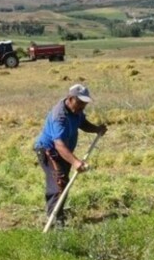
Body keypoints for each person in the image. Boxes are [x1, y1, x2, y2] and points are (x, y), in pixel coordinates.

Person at [33, 84, 108, 227]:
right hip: (49, 150)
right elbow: (59, 144)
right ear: (70, 98)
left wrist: (96, 129)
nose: (82, 107)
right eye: (80, 103)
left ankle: (57, 213)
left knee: (63, 183)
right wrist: (75, 162)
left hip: (63, 151)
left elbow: (83, 123)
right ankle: (55, 222)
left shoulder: (76, 111)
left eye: (85, 104)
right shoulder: (59, 116)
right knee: (58, 184)